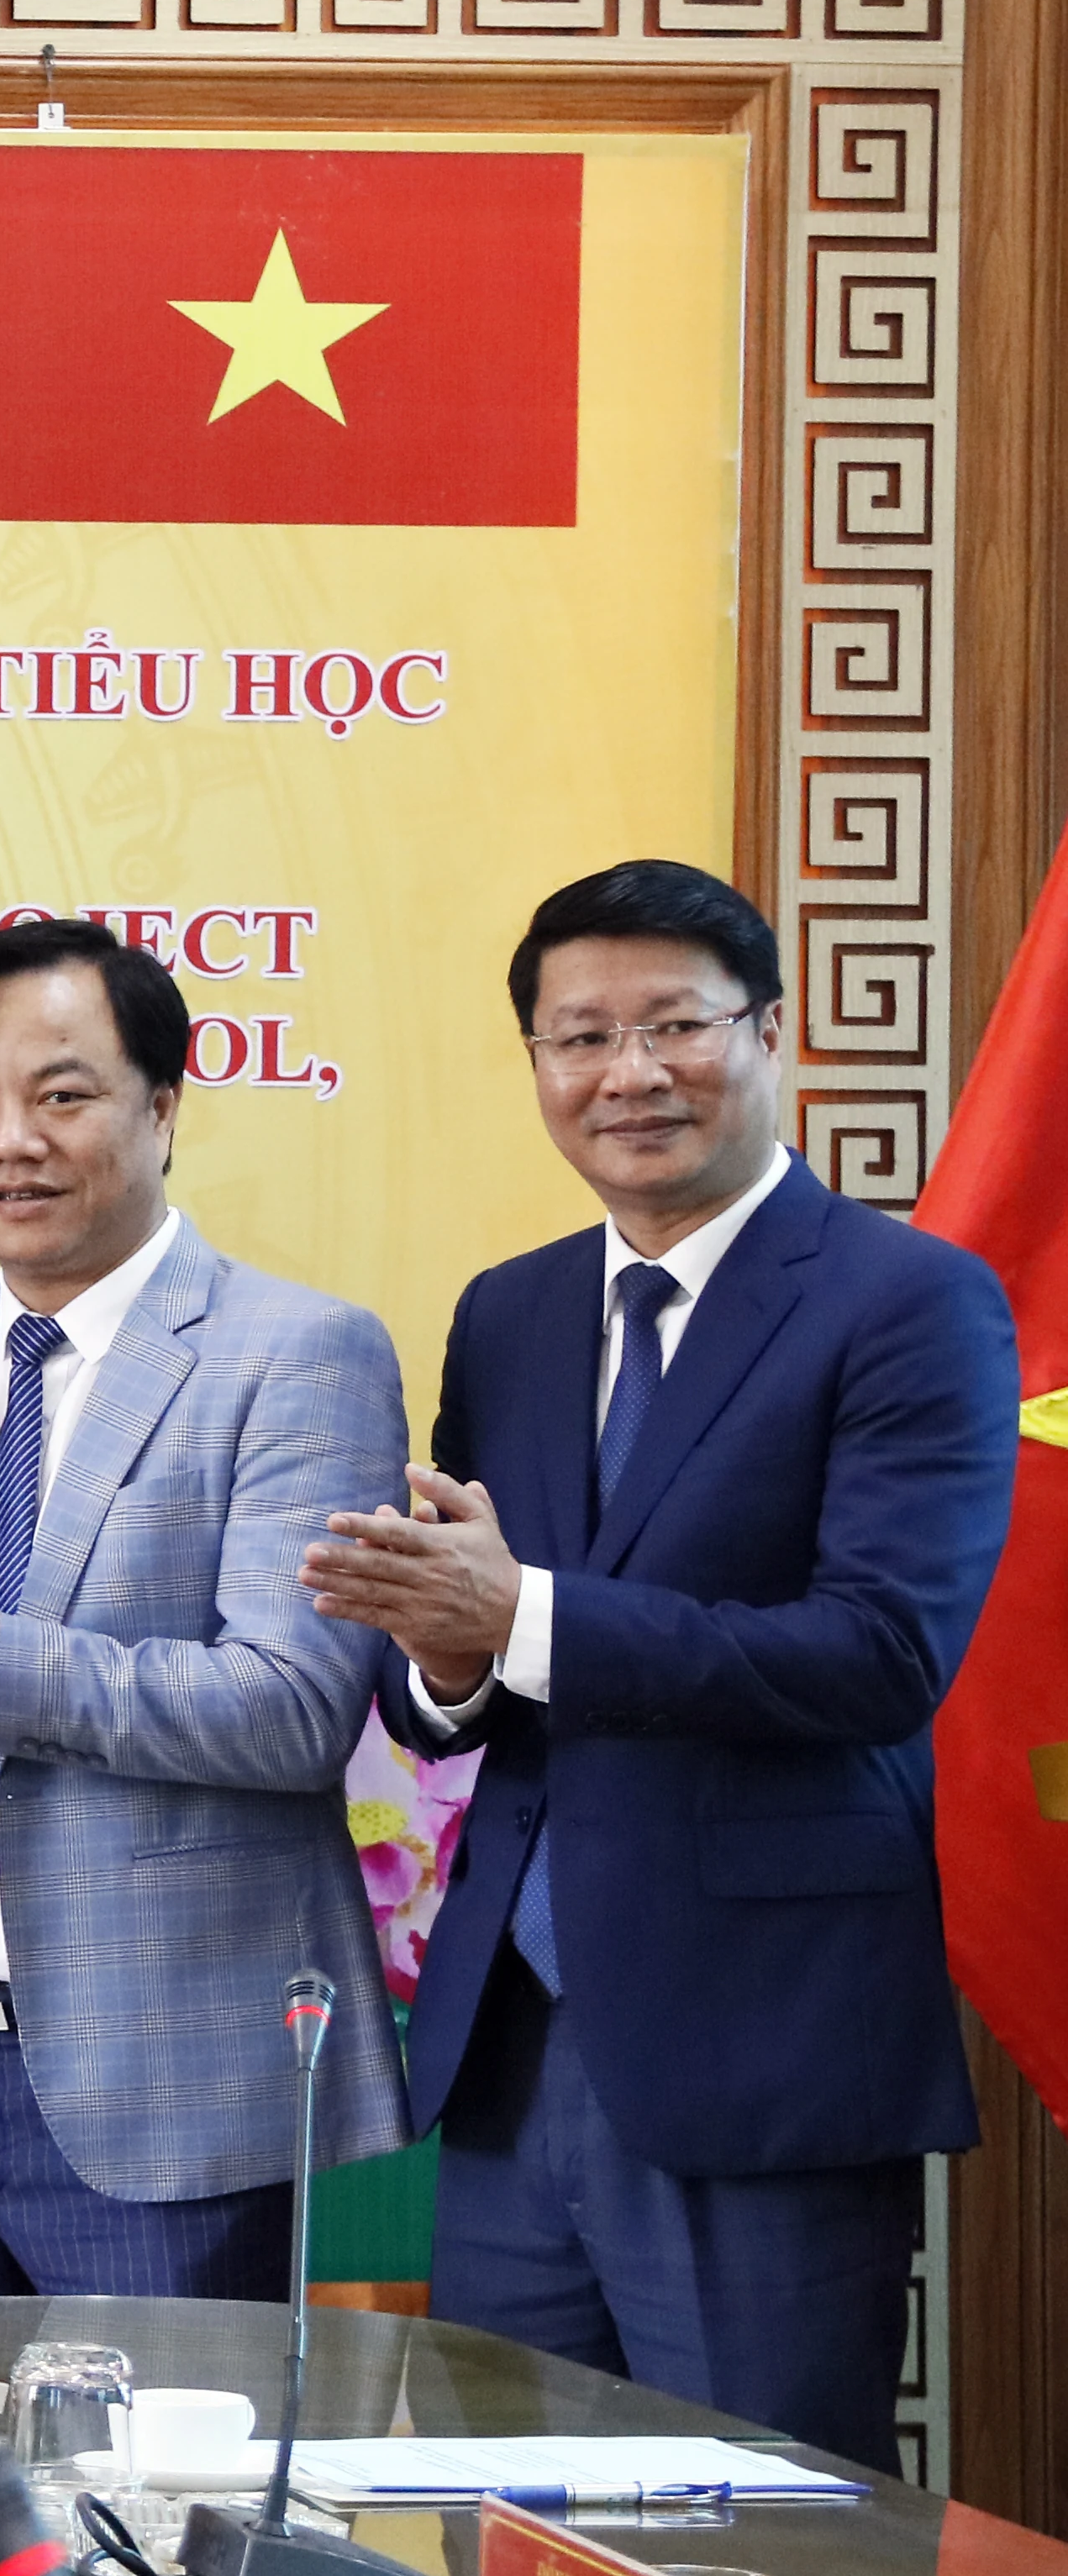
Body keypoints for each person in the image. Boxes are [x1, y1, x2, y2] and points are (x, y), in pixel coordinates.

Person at [298, 861, 1011, 2465]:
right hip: (510, 2047)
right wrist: (447, 1665)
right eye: (581, 1038)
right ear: (540, 1069)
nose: (629, 1074)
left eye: (675, 1026)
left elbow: (880, 1656)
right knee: (510, 2516)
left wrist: (521, 1620)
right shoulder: (513, 1315)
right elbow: (464, 1674)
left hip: (756, 2046)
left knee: (762, 2530)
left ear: (771, 1033)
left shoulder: (912, 1304)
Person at [0, 917, 408, 2295]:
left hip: (167, 2085)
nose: (13, 1140)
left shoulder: (299, 1353)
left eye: (63, 1095)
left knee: (158, 2514)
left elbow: (294, 1710)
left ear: (165, 1107)